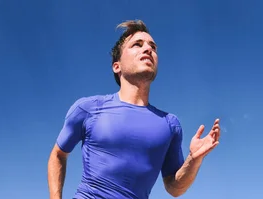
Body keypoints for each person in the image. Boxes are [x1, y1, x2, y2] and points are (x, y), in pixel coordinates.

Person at [47, 19, 221, 199]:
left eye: (153, 47)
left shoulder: (170, 124)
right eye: (137, 45)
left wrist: (194, 159)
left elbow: (174, 188)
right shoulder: (88, 108)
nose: (148, 49)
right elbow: (58, 154)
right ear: (117, 66)